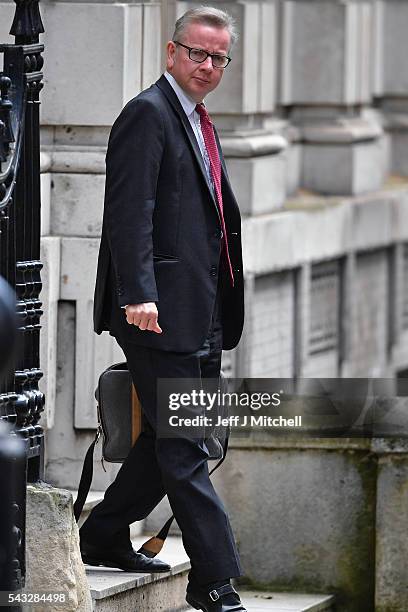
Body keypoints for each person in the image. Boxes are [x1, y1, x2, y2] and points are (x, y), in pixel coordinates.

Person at [79, 6, 246, 611]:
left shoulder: (199, 120)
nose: (206, 65)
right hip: (157, 314)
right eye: (196, 53)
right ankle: (216, 580)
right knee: (184, 444)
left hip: (201, 311)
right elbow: (130, 213)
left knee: (170, 441)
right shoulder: (147, 114)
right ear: (171, 52)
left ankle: (101, 531)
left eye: (217, 57)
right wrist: (138, 294)